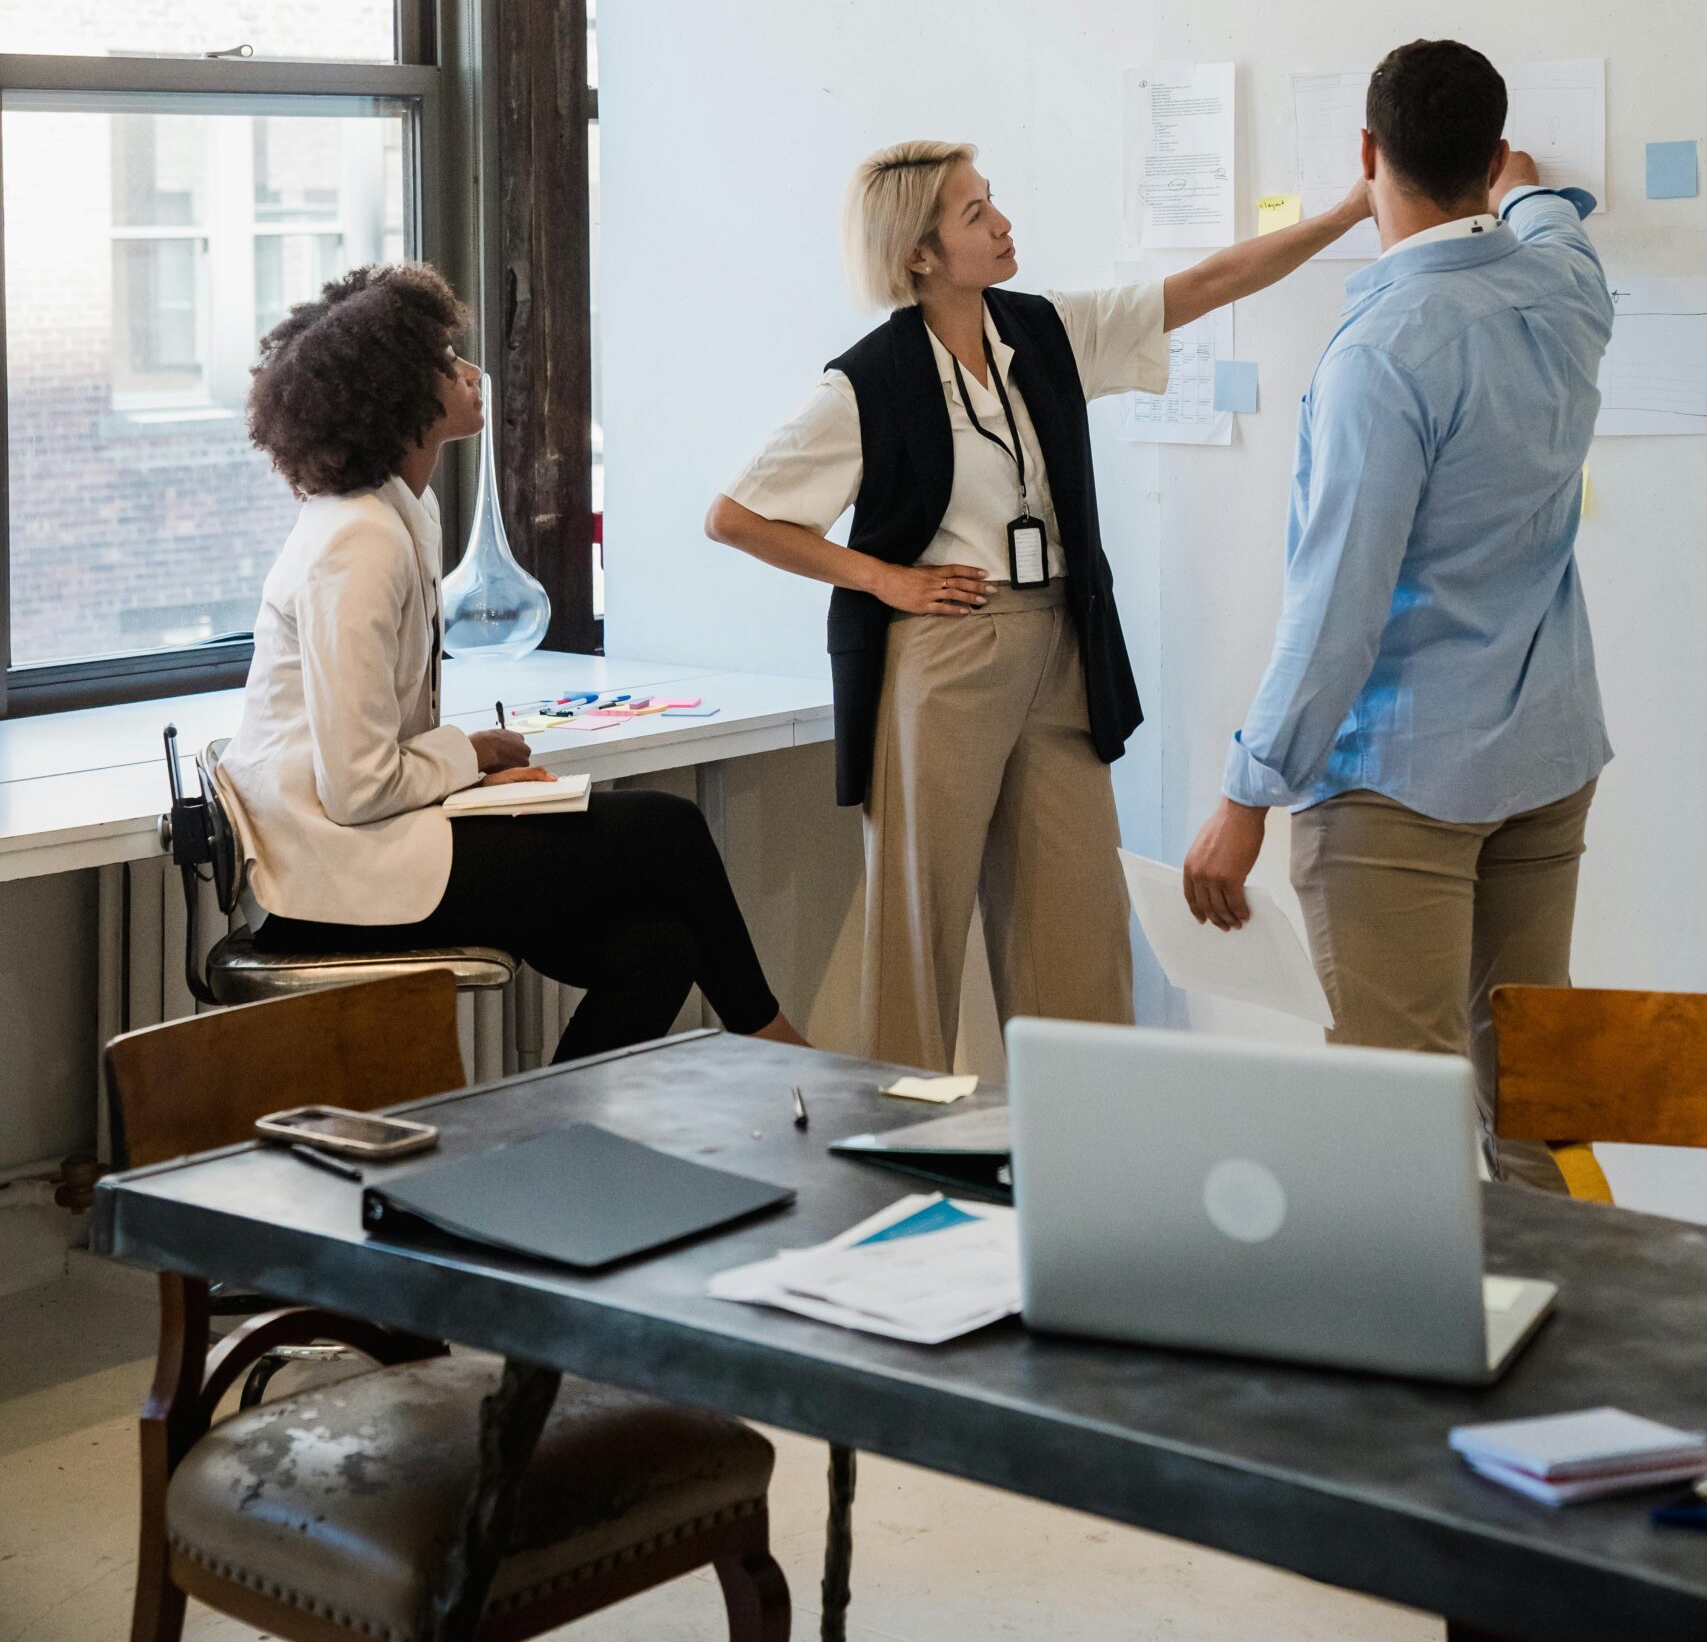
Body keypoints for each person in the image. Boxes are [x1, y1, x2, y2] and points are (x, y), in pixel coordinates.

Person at [706, 140, 1370, 1071]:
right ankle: (901, 1157)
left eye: (992, 202)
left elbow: (1208, 283)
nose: (1003, 224)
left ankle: (1081, 1153)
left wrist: (1346, 216)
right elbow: (735, 517)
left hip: (1060, 641)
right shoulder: (865, 381)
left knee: (1076, 918)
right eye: (975, 214)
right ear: (919, 254)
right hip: (942, 654)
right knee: (918, 923)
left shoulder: (1044, 330)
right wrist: (885, 580)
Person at [1183, 40, 1612, 1190]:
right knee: (1536, 1100)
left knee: (1399, 1122)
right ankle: (1566, 1347)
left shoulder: (1382, 354)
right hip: (1548, 751)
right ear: (1490, 157)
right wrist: (1526, 186)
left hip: (1400, 786)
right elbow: (1555, 217)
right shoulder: (1567, 287)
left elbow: (1338, 613)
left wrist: (1246, 795)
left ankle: (1429, 1364)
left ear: (1367, 154)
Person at [221, 262, 806, 1061]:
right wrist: (469, 757)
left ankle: (548, 1147)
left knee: (660, 946)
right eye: (443, 361)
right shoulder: (357, 542)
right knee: (669, 829)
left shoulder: (396, 516)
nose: (471, 373)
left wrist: (475, 773)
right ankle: (774, 1044)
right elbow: (358, 788)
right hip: (339, 875)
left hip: (375, 842)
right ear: (395, 396)